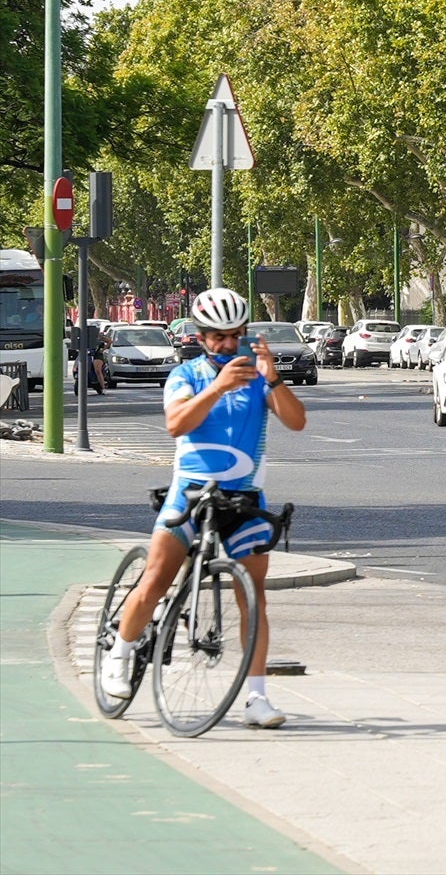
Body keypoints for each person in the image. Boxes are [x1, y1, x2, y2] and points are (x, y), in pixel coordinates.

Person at [98, 287, 307, 728]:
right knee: (155, 579)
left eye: (235, 335)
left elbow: (296, 421)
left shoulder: (256, 378)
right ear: (200, 335)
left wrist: (272, 379)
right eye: (217, 336)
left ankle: (256, 698)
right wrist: (217, 386)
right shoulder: (186, 375)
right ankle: (120, 652)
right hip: (190, 495)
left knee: (255, 600)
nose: (227, 344)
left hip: (244, 498)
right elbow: (177, 424)